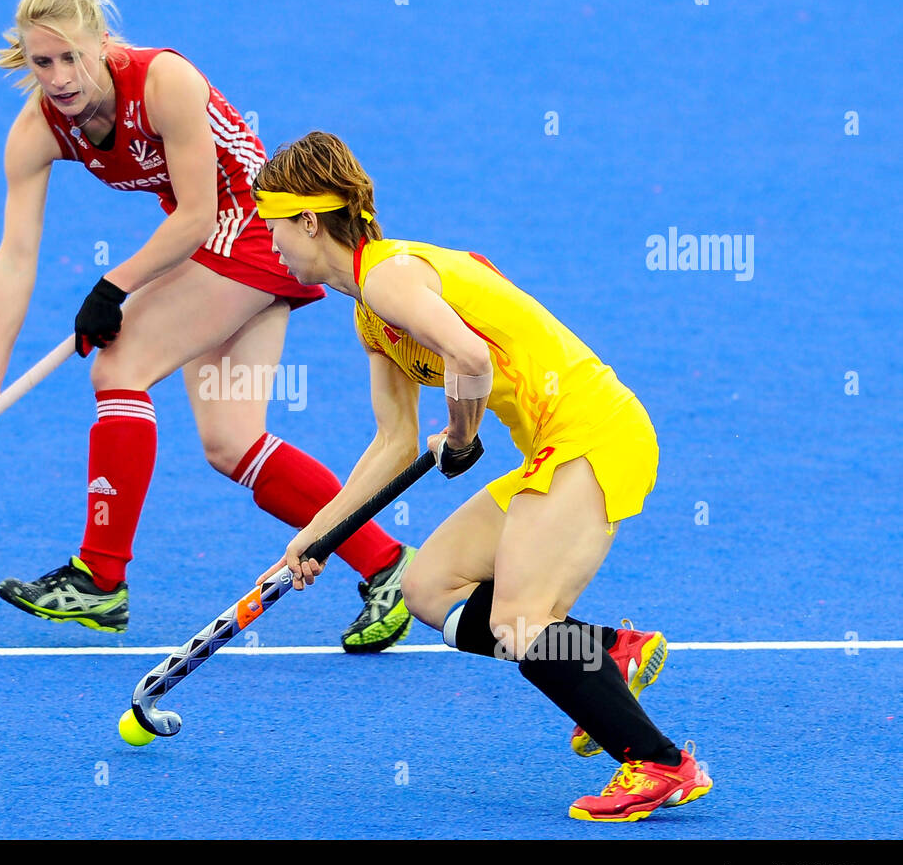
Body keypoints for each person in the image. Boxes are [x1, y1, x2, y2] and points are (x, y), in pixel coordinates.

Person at [0, 0, 415, 652]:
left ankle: (100, 579)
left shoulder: (165, 82)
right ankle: (387, 564)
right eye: (42, 61)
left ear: (102, 42)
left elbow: (198, 214)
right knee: (232, 442)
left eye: (72, 56)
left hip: (254, 226)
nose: (60, 76)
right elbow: (15, 257)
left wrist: (114, 286)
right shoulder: (37, 130)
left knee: (120, 364)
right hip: (219, 242)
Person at [252, 131, 712, 821]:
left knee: (522, 622)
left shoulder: (389, 273)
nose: (272, 243)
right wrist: (313, 538)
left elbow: (470, 358)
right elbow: (393, 442)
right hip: (552, 449)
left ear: (310, 221)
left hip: (593, 432)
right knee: (426, 586)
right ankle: (605, 651)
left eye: (274, 226)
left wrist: (464, 436)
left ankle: (658, 762)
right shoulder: (370, 314)